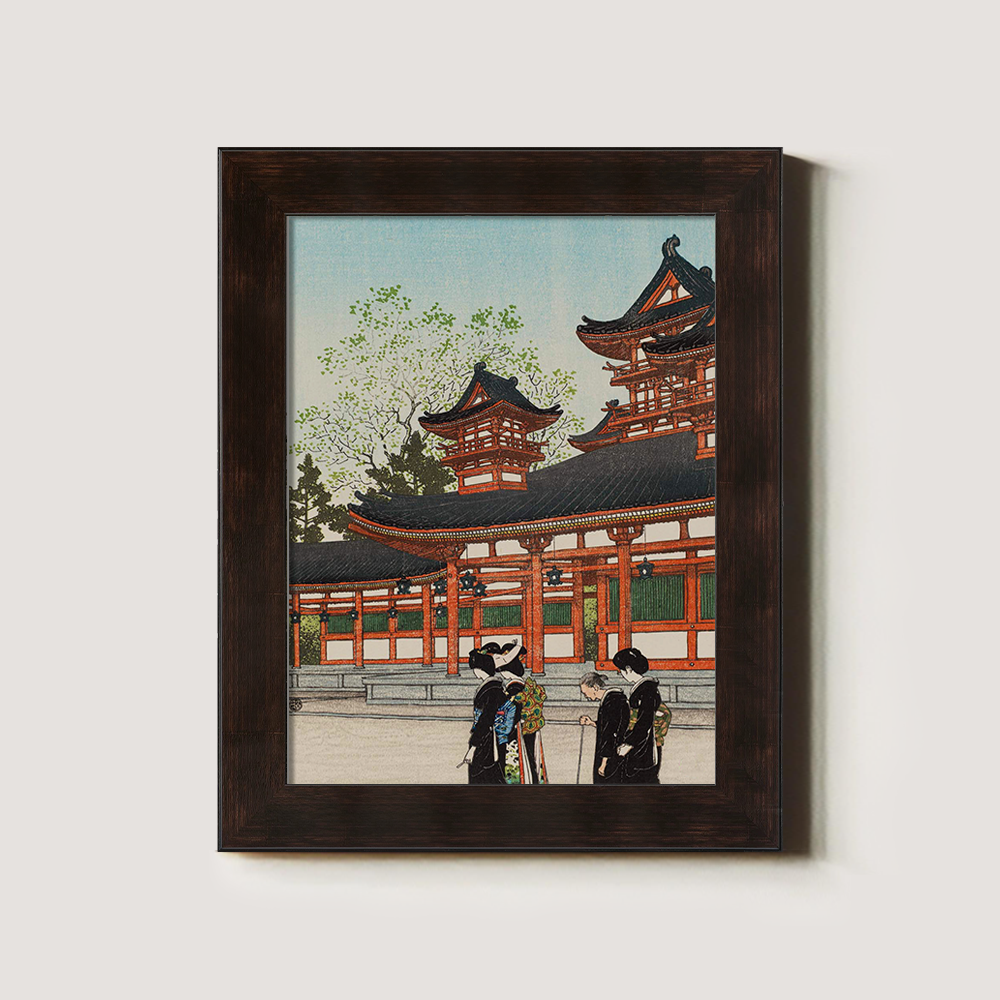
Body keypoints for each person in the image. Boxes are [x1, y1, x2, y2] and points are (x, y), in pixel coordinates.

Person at [498, 641, 547, 783]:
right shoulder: (523, 684)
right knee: (531, 758)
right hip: (529, 728)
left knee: (520, 760)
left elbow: (512, 713)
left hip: (518, 729)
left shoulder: (514, 688)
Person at [613, 647, 661, 784]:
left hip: (641, 744)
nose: (621, 674)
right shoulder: (643, 688)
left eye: (621, 671)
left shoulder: (647, 690)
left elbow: (644, 722)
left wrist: (629, 743)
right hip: (638, 740)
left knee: (640, 779)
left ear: (628, 669)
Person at [461, 647, 508, 784]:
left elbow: (485, 719)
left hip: (486, 740)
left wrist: (473, 747)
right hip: (489, 737)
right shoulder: (494, 686)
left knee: (482, 774)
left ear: (479, 669)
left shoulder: (490, 690)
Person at [578, 671, 630, 783]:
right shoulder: (614, 699)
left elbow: (609, 733)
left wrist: (603, 763)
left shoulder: (611, 702)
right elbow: (609, 724)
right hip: (616, 751)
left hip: (611, 754)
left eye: (586, 692)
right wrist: (592, 723)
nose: (585, 696)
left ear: (595, 688)